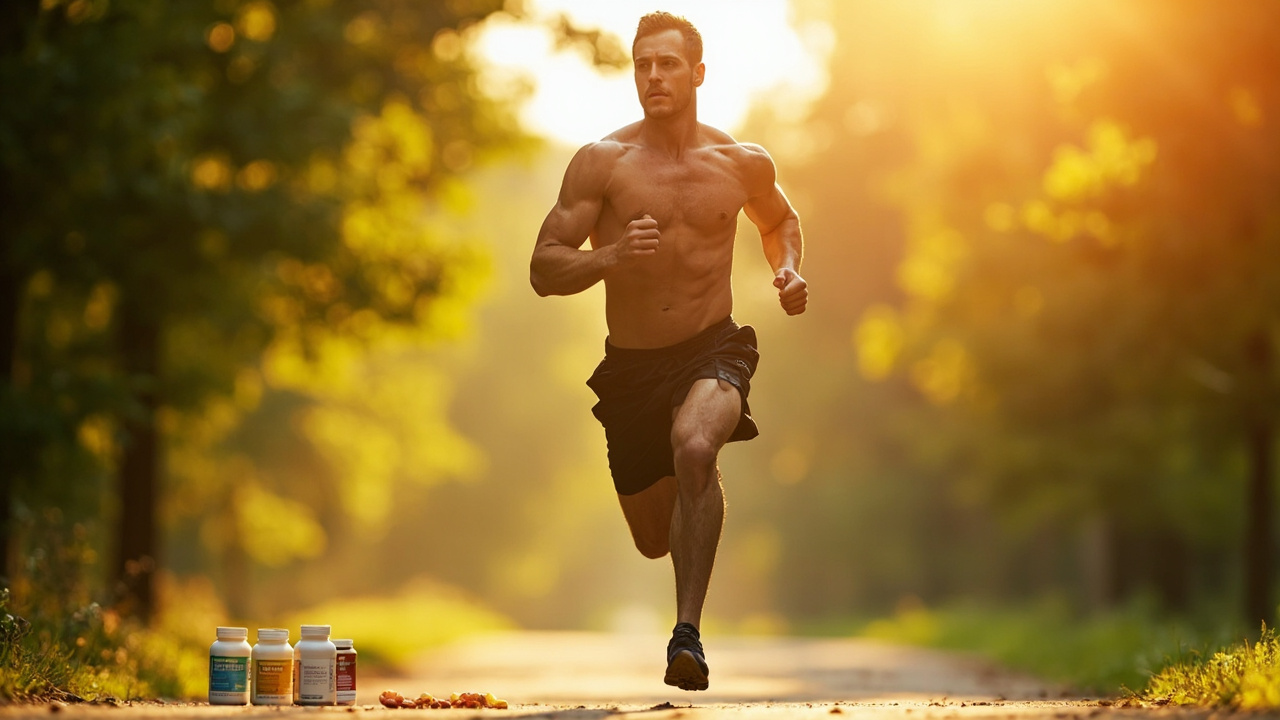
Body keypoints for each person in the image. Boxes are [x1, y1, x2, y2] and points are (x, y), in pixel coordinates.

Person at [529, 11, 807, 692]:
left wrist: (790, 270)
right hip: (631, 369)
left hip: (714, 346)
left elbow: (781, 221)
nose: (654, 76)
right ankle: (682, 575)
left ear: (698, 74)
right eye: (643, 65)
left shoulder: (742, 163)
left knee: (694, 447)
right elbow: (543, 268)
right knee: (654, 538)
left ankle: (687, 634)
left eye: (668, 64)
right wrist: (613, 256)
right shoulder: (603, 162)